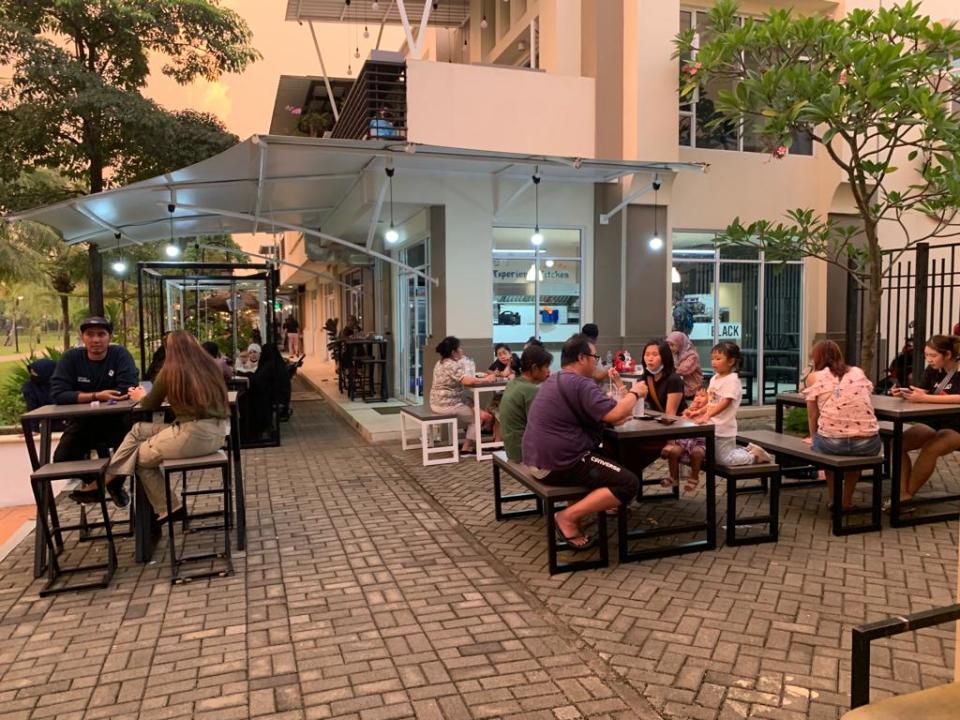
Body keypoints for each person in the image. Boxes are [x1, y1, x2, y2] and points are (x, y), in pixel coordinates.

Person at [69, 331, 229, 522]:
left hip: (193, 434)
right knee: (138, 430)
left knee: (140, 457)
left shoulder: (171, 370)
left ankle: (168, 506)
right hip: (218, 433)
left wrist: (140, 396)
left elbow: (150, 403)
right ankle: (110, 479)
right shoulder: (211, 366)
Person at [522, 334, 641, 550]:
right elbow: (615, 414)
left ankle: (578, 515)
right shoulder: (580, 383)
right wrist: (636, 393)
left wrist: (611, 415)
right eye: (595, 357)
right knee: (628, 483)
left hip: (537, 459)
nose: (596, 362)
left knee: (608, 460)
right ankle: (567, 517)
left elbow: (603, 415)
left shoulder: (556, 379)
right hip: (559, 463)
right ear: (581, 357)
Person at [50, 316, 139, 507]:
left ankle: (105, 485)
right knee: (61, 460)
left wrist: (81, 396)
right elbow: (58, 394)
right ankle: (105, 483)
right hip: (84, 422)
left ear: (109, 337)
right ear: (82, 337)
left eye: (101, 334)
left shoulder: (120, 355)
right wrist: (96, 395)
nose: (96, 339)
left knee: (132, 450)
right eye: (90, 334)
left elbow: (128, 388)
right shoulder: (71, 358)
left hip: (117, 421)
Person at [802, 340, 881, 510]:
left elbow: (812, 414)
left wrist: (813, 437)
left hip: (832, 443)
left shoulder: (814, 377)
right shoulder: (858, 372)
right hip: (868, 443)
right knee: (856, 457)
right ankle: (846, 501)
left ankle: (833, 499)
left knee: (828, 451)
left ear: (816, 358)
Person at [683, 342, 771, 491]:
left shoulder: (732, 380)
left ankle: (754, 456)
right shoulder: (714, 379)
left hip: (724, 429)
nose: (714, 362)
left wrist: (707, 415)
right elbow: (711, 401)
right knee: (711, 456)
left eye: (718, 359)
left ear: (731, 361)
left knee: (724, 460)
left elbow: (725, 402)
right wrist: (699, 412)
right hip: (711, 427)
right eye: (712, 358)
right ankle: (746, 451)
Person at [889, 334, 960, 504]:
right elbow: (922, 391)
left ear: (948, 354)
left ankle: (906, 497)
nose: (929, 359)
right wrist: (905, 393)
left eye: (933, 355)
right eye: (926, 355)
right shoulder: (932, 370)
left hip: (956, 426)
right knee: (897, 444)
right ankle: (902, 492)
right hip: (933, 421)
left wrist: (925, 398)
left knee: (930, 448)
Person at [429, 336, 493, 456]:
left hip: (437, 402)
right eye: (459, 348)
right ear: (453, 352)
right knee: (478, 417)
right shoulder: (451, 365)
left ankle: (471, 441)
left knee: (470, 401)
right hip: (446, 405)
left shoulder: (441, 362)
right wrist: (486, 379)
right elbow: (467, 381)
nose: (462, 350)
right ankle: (467, 448)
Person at [498, 345, 553, 463]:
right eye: (546, 366)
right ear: (535, 368)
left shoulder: (513, 383)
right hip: (523, 452)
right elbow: (540, 426)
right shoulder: (530, 390)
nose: (549, 371)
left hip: (511, 447)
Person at [21, 358, 62, 432]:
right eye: (31, 373)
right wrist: (33, 429)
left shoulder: (60, 384)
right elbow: (32, 408)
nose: (32, 376)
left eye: (35, 373)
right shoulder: (30, 387)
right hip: (45, 422)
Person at [666, 330, 704, 400]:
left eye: (672, 345)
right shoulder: (677, 354)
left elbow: (683, 370)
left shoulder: (692, 356)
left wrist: (667, 369)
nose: (670, 348)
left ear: (680, 344)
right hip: (681, 388)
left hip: (693, 390)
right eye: (668, 345)